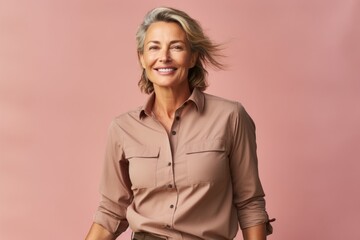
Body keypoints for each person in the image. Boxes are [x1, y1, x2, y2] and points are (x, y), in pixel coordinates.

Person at [86, 6, 273, 240]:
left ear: (192, 56)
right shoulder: (122, 128)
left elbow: (249, 204)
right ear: (142, 58)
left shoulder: (231, 117)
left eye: (176, 47)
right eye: (154, 47)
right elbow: (111, 211)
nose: (164, 57)